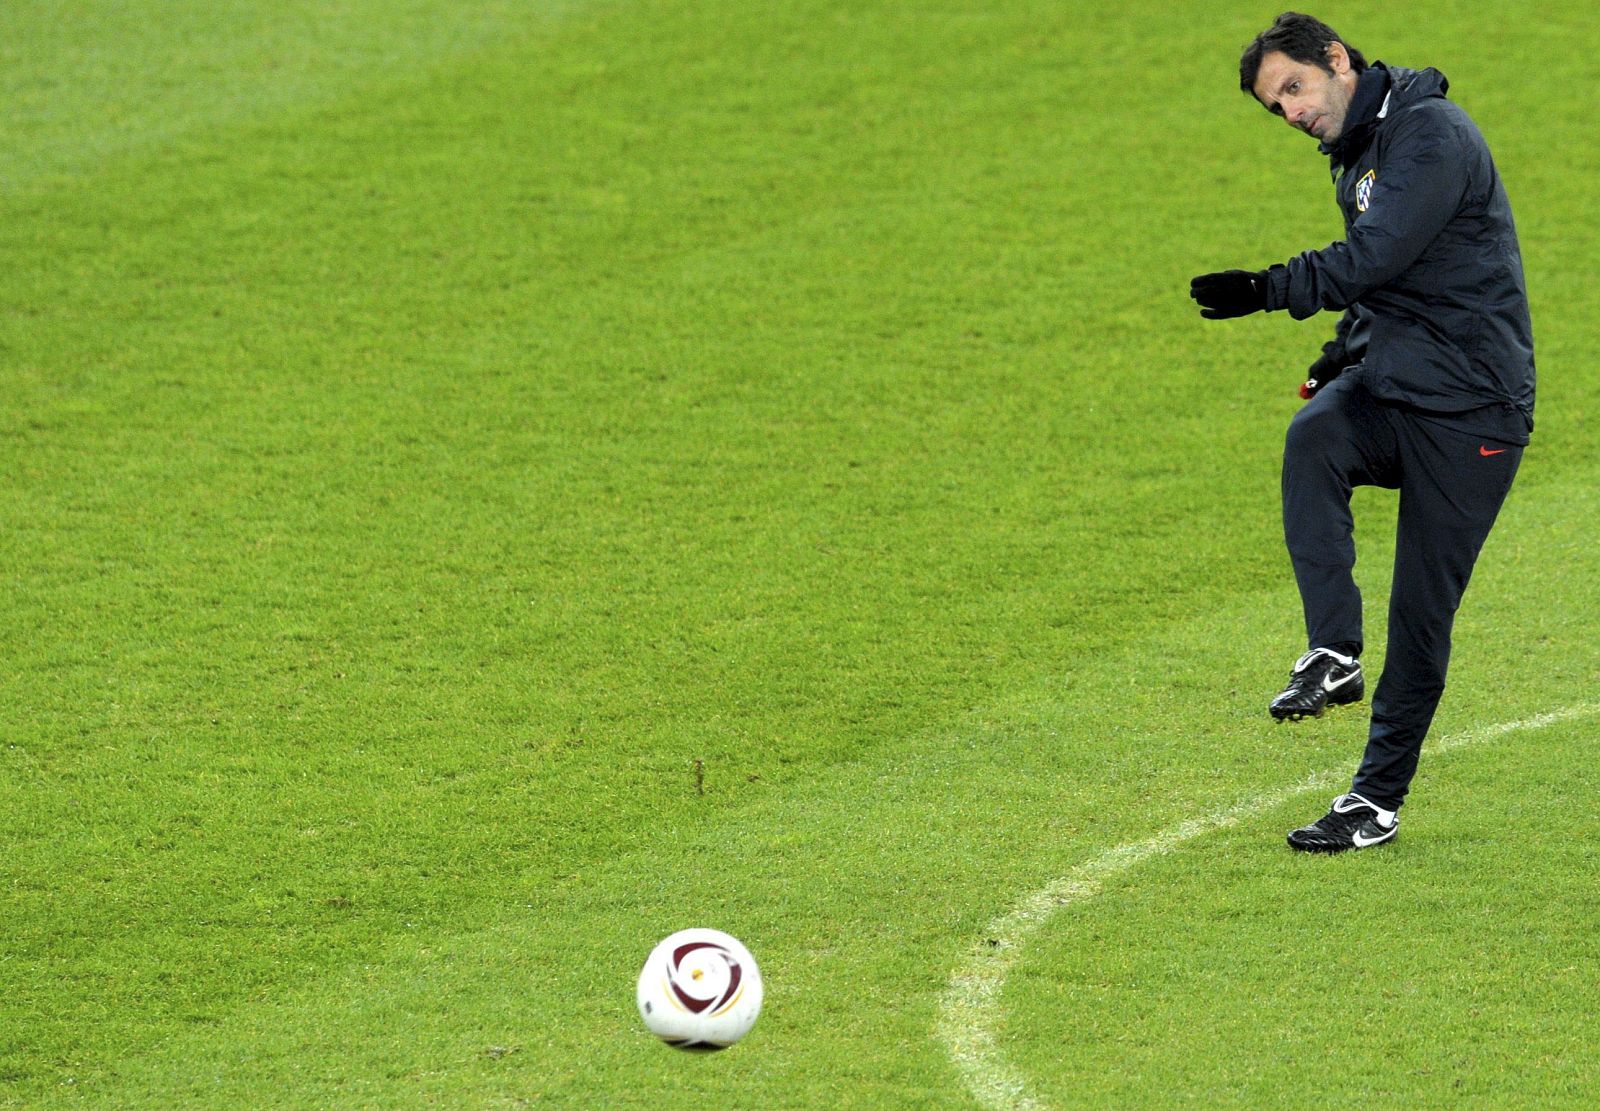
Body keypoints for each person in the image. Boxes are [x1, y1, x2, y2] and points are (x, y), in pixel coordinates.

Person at [1189, 13, 1535, 853]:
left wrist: (1268, 288)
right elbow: (1386, 291)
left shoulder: (1431, 137)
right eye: (1276, 107)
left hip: (1471, 411)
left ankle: (1374, 802)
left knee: (1420, 614)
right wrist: (1333, 357)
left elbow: (1373, 259)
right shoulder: (1358, 159)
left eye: (1294, 89)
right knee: (1315, 434)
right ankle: (1333, 652)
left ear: (1335, 60)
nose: (1292, 114)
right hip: (1394, 387)